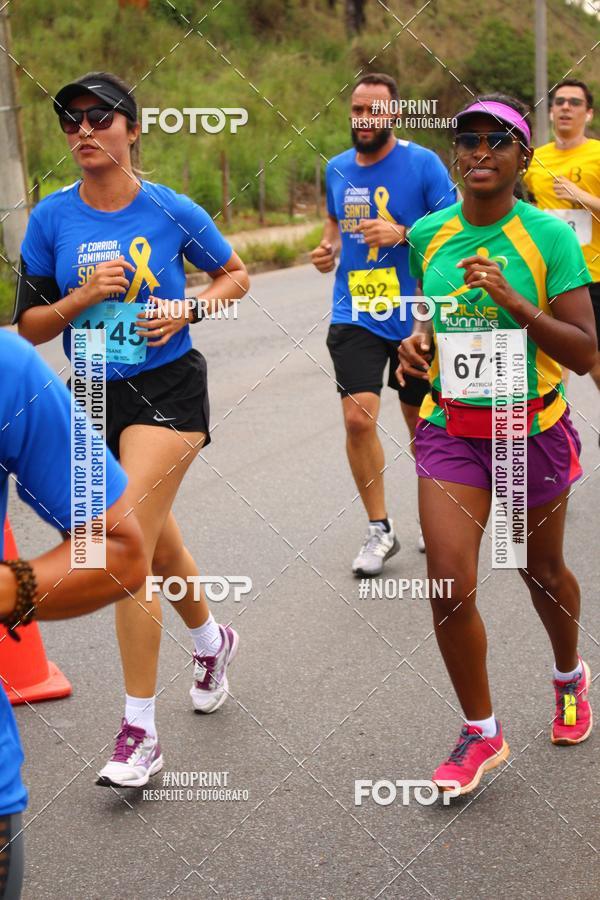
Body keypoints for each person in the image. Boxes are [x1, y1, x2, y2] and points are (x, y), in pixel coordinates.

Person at [15, 72, 250, 788]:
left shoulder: (170, 209)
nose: (85, 131)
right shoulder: (51, 219)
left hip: (169, 394)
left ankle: (139, 733)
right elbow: (27, 327)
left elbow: (235, 275)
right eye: (70, 121)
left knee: (127, 551)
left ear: (133, 127)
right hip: (89, 392)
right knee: (154, 534)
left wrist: (189, 310)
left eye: (100, 117)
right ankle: (212, 642)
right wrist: (82, 298)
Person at [397, 94, 596, 795]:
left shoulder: (549, 237)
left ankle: (569, 673)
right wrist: (418, 343)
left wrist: (515, 302)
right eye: (468, 140)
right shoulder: (429, 233)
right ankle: (481, 732)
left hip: (529, 428)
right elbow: (434, 311)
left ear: (522, 157)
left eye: (497, 140)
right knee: (449, 581)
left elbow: (581, 350)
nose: (480, 151)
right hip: (452, 428)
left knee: (540, 572)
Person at [0, 328, 146, 899]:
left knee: (169, 547)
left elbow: (119, 550)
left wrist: (10, 590)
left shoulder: (6, 368)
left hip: (160, 386)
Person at [311, 72, 456, 576]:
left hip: (415, 315)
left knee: (421, 425)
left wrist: (402, 232)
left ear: (393, 114)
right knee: (357, 418)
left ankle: (433, 518)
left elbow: (454, 232)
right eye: (356, 109)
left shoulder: (423, 164)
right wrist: (328, 249)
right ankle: (380, 529)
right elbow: (334, 223)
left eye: (374, 110)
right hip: (355, 311)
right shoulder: (335, 168)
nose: (364, 119)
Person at [523, 79, 600, 407]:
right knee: (552, 371)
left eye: (574, 102)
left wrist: (581, 197)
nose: (566, 107)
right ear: (551, 112)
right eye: (559, 102)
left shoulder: (597, 154)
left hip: (591, 279)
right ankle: (560, 446)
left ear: (589, 113)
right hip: (547, 279)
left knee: (594, 365)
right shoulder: (533, 161)